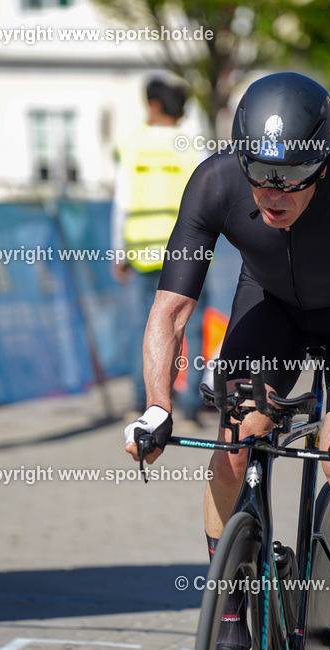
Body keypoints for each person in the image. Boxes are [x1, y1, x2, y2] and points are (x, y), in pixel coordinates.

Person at [122, 72, 330, 650]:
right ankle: (230, 617)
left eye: (291, 175)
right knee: (233, 450)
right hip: (270, 308)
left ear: (323, 166)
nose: (272, 191)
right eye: (259, 170)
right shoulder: (215, 182)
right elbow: (169, 312)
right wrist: (157, 406)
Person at [111, 76, 205, 421]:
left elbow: (121, 203)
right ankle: (192, 402)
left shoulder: (131, 145)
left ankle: (145, 399)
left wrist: (117, 251)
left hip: (142, 252)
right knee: (190, 324)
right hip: (189, 252)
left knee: (145, 325)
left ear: (153, 104)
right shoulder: (193, 144)